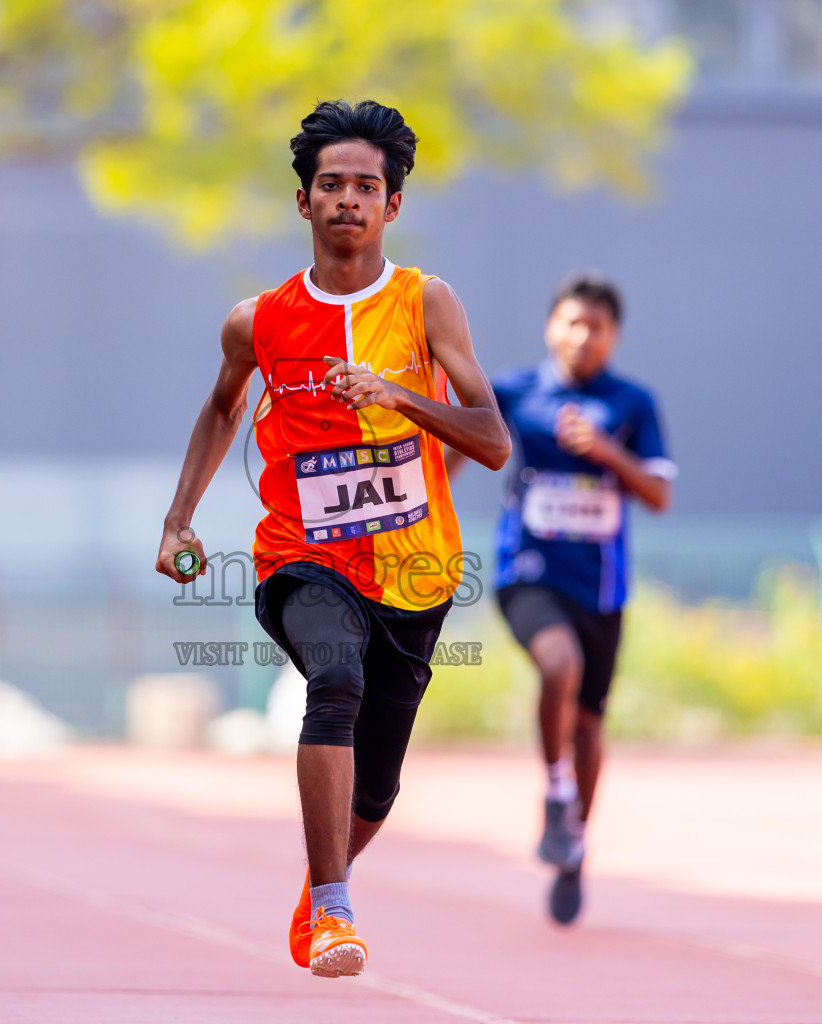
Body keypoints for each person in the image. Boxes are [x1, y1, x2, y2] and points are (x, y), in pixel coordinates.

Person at [155, 99, 509, 978]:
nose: (348, 199)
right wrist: (179, 519)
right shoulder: (260, 320)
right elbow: (222, 405)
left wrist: (400, 398)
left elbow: (493, 441)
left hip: (416, 570)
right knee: (335, 678)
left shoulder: (428, 303)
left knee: (379, 786)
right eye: (331, 185)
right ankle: (338, 911)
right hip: (299, 557)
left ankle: (322, 885)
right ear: (303, 202)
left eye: (366, 186)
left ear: (392, 205)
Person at [490, 274, 674, 924]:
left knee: (591, 723)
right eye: (571, 323)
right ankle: (555, 788)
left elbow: (658, 495)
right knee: (557, 666)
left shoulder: (632, 403)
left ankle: (574, 847)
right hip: (527, 573)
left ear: (613, 336)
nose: (582, 336)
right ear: (550, 327)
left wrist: (606, 453)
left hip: (601, 586)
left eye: (596, 327)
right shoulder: (514, 391)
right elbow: (461, 446)